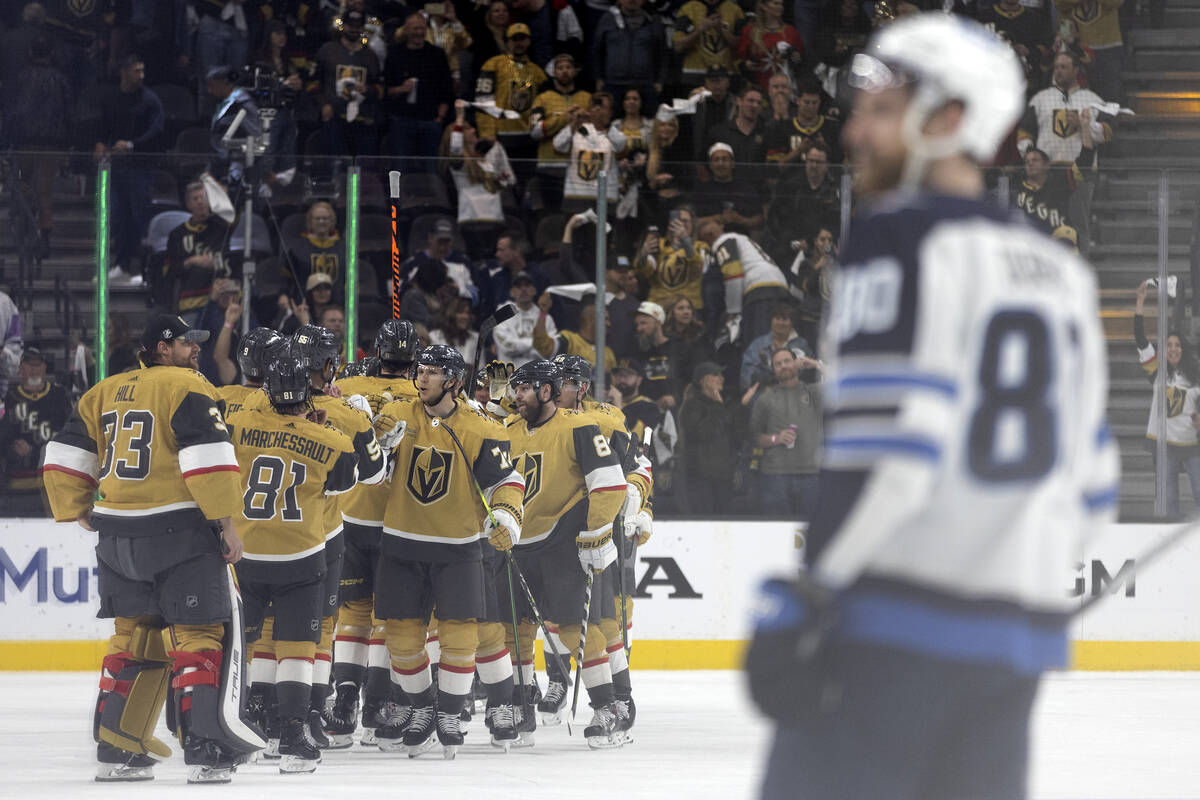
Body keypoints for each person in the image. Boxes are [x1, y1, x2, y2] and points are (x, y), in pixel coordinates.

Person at [748, 15, 1118, 800]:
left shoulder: (897, 239)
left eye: (881, 109)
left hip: (889, 636)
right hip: (1011, 655)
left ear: (947, 121)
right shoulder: (1062, 273)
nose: (855, 130)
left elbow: (897, 455)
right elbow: (1093, 488)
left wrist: (814, 591)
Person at [41, 314, 258, 784]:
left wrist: (79, 509)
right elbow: (209, 457)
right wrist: (226, 526)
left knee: (133, 638)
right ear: (161, 348)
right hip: (178, 533)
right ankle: (205, 748)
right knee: (199, 638)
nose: (195, 349)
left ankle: (117, 747)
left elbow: (63, 454)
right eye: (184, 342)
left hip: (117, 536)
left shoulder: (104, 390)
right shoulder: (187, 386)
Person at [368, 345, 525, 757]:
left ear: (453, 381)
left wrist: (507, 515)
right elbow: (370, 474)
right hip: (401, 543)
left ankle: (451, 713)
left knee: (461, 636)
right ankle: (422, 708)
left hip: (458, 548)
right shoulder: (398, 414)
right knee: (400, 639)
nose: (421, 377)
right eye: (420, 370)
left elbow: (506, 481)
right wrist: (375, 441)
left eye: (433, 372)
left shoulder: (481, 427)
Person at [225, 346, 360, 774]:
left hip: (246, 553)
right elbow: (345, 484)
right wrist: (310, 430)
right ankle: (292, 734)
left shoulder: (239, 424)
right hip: (301, 556)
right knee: (298, 648)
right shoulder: (332, 439)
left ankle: (238, 724)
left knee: (242, 646)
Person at [501, 359, 630, 747]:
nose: (516, 395)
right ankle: (523, 704)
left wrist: (595, 533)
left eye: (524, 388)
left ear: (546, 391)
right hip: (517, 542)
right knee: (513, 629)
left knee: (574, 628)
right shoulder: (507, 430)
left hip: (562, 541)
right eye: (515, 388)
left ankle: (607, 708)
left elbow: (609, 484)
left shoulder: (579, 427)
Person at [327, 320, 422, 747]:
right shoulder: (423, 394)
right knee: (387, 617)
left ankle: (344, 701)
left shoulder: (346, 382)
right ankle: (376, 706)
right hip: (397, 521)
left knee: (353, 614)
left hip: (348, 514)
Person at [551, 353, 653, 744]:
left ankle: (620, 698)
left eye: (563, 381)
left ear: (582, 386)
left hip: (597, 530)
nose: (555, 388)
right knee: (563, 619)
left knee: (603, 620)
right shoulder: (540, 419)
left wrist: (638, 501)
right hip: (553, 533)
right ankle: (552, 685)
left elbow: (637, 469)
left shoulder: (608, 419)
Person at [1134, 279, 1200, 518]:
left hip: (1192, 444)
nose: (1173, 348)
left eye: (1177, 345)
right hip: (1165, 446)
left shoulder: (1194, 374)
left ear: (1183, 350)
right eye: (1169, 345)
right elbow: (1141, 339)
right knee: (1169, 499)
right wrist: (1140, 303)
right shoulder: (1157, 371)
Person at [95, 55, 163, 285]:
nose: (141, 76)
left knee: (140, 217)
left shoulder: (150, 100)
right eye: (136, 71)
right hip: (118, 167)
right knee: (120, 217)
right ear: (123, 72)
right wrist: (101, 142)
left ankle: (146, 270)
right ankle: (122, 266)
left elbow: (157, 131)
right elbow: (104, 125)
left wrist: (132, 145)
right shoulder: (112, 97)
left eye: (143, 70)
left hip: (141, 168)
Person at [747, 346, 821, 517]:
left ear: (796, 363)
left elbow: (843, 382)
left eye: (787, 361)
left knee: (810, 532)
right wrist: (776, 438)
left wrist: (815, 364)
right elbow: (753, 436)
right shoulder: (764, 400)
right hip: (775, 476)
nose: (783, 366)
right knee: (777, 533)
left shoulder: (814, 392)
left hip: (810, 475)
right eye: (778, 364)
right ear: (773, 370)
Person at [0, 347, 70, 516]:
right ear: (20, 368)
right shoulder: (9, 398)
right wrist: (11, 447)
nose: (34, 370)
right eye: (29, 366)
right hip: (16, 484)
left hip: (52, 483)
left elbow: (71, 434)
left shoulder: (59, 396)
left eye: (38, 365)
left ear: (45, 368)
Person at [697, 217, 789, 345]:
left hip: (759, 287)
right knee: (778, 340)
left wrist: (733, 311)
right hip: (780, 284)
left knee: (757, 342)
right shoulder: (742, 238)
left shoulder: (723, 241)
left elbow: (733, 274)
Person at [1016, 50, 1112, 165]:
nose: (1058, 71)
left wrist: (1083, 125)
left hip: (1082, 172)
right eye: (1056, 67)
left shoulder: (1093, 100)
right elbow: (1024, 132)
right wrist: (1031, 157)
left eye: (1063, 67)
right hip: (1047, 173)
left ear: (1076, 70)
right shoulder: (1040, 99)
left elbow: (1107, 133)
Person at [386, 11, 454, 173]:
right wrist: (402, 89)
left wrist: (440, 118)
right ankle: (398, 199)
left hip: (430, 121)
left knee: (431, 169)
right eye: (415, 28)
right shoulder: (395, 54)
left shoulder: (437, 55)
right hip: (402, 121)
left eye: (422, 28)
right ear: (406, 30)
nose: (419, 32)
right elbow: (387, 91)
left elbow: (447, 89)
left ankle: (434, 199)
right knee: (400, 169)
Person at [312, 10, 384, 157]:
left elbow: (381, 89)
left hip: (363, 122)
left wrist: (367, 90)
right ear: (343, 26)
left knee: (359, 173)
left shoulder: (371, 56)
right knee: (334, 167)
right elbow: (312, 83)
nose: (354, 29)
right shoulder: (327, 50)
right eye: (350, 25)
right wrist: (323, 105)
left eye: (358, 26)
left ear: (363, 29)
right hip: (334, 119)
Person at [529, 53, 592, 212]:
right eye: (560, 68)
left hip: (580, 167)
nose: (564, 71)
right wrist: (565, 118)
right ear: (554, 72)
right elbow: (534, 131)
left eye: (568, 67)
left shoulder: (587, 98)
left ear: (575, 71)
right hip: (549, 167)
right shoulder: (542, 99)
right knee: (551, 213)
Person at [166, 182, 232, 322]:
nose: (200, 202)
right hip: (191, 303)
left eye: (204, 197)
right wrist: (192, 261)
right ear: (188, 204)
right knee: (191, 342)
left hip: (221, 302)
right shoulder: (177, 234)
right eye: (195, 199)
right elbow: (172, 271)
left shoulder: (222, 228)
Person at [678, 360, 736, 514]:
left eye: (721, 374)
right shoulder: (691, 406)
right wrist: (718, 407)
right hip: (700, 479)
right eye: (715, 374)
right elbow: (704, 433)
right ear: (702, 380)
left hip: (723, 478)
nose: (721, 378)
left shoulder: (724, 404)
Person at [591, 0, 667, 110]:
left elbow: (663, 54)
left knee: (648, 124)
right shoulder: (608, 19)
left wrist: (660, 81)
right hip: (613, 84)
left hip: (645, 84)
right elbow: (597, 51)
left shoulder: (654, 21)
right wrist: (598, 77)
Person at [735, 0, 804, 91]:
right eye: (775, 3)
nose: (780, 7)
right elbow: (740, 60)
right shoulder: (749, 31)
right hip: (758, 89)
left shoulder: (790, 31)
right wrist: (747, 65)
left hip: (784, 90)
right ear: (763, 6)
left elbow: (801, 59)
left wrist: (797, 58)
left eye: (781, 4)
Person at [673, 0, 743, 86]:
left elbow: (740, 48)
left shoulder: (735, 10)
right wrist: (700, 30)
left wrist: (722, 31)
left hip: (727, 75)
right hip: (694, 75)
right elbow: (678, 47)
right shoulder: (688, 8)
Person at [494, 271, 556, 366]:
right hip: (510, 376)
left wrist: (521, 348)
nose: (523, 289)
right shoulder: (502, 313)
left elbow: (551, 350)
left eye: (527, 285)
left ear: (534, 290)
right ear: (511, 292)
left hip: (540, 376)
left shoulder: (545, 318)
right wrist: (538, 343)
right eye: (518, 286)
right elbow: (507, 346)